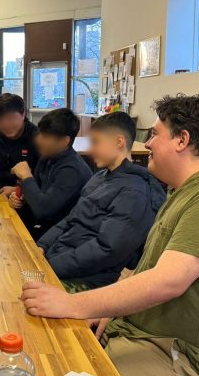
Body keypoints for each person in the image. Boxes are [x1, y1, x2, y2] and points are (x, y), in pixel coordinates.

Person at [21, 94, 199, 376]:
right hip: (148, 337)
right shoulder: (185, 191)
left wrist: (72, 303)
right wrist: (107, 308)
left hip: (187, 363)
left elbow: (167, 282)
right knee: (46, 360)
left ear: (182, 140)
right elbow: (149, 270)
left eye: (155, 134)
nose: (148, 144)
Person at [37, 112, 165, 292]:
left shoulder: (134, 192)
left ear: (118, 142)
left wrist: (51, 266)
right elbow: (71, 218)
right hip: (60, 261)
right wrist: (42, 246)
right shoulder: (99, 177)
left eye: (96, 142)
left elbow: (107, 249)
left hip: (88, 281)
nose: (90, 150)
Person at [7, 108, 92, 240]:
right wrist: (19, 198)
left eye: (45, 136)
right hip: (40, 228)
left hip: (61, 236)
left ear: (65, 141)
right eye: (40, 134)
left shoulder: (72, 170)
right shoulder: (48, 157)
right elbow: (37, 194)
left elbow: (43, 210)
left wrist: (26, 176)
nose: (38, 140)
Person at [0, 93, 39, 196]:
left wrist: (17, 189)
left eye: (11, 118)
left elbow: (44, 178)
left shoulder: (37, 138)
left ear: (23, 114)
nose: (6, 124)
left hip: (27, 197)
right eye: (1, 119)